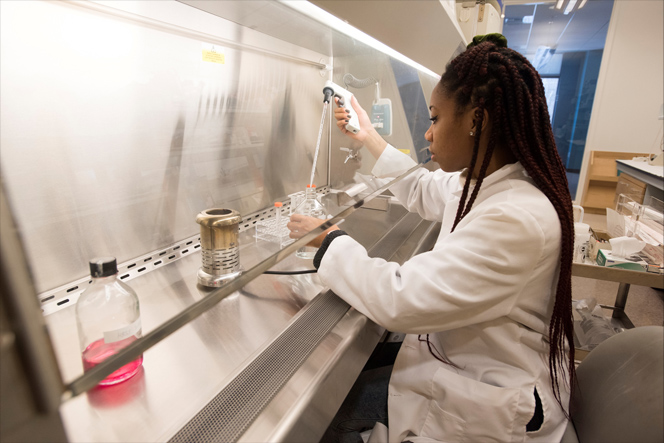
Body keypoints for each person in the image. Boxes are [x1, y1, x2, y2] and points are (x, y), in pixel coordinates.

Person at [288, 34, 575, 443]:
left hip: (487, 400)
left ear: (477, 120)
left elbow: (400, 300)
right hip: (452, 359)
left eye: (436, 118)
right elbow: (424, 189)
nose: (428, 133)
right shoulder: (484, 181)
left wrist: (330, 240)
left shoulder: (517, 217)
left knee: (327, 418)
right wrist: (367, 135)